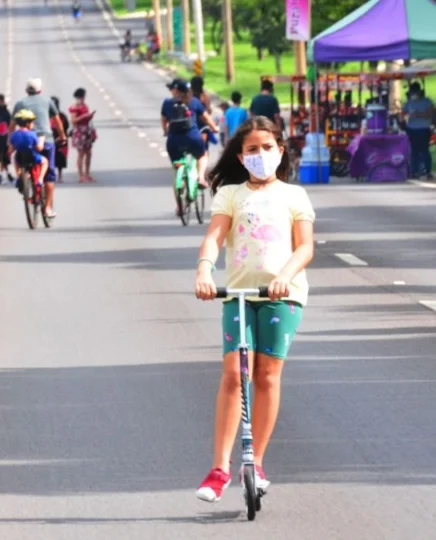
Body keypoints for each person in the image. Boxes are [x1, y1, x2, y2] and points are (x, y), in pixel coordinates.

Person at [193, 116, 315, 504]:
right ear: (241, 157)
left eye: (267, 148)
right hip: (239, 294)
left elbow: (305, 247)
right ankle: (219, 468)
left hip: (283, 294)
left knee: (266, 375)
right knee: (233, 372)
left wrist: (285, 275)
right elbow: (214, 236)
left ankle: (256, 462)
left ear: (280, 151)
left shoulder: (295, 195)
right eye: (251, 149)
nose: (260, 155)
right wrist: (204, 270)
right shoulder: (230, 194)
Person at [162, 78, 218, 214]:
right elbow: (206, 117)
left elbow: (164, 120)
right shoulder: (194, 102)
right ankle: (200, 177)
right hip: (192, 138)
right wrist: (214, 128)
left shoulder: (168, 103)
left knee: (177, 172)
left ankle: (179, 207)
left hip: (173, 141)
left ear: (175, 90)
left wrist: (165, 132)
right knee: (202, 155)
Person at [13, 78, 66, 217]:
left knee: (21, 160)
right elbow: (58, 121)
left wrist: (10, 144)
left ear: (27, 91)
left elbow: (11, 126)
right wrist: (63, 136)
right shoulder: (48, 101)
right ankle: (47, 208)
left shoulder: (20, 103)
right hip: (46, 141)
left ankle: (23, 177)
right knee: (49, 176)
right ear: (40, 90)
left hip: (25, 143)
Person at [402, 82, 436, 179]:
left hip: (423, 128)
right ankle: (415, 171)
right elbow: (403, 113)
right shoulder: (408, 103)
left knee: (424, 150)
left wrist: (418, 114)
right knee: (414, 151)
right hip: (411, 129)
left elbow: (430, 114)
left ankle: (427, 170)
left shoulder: (427, 102)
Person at [9, 109, 48, 187]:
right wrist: (42, 140)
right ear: (27, 123)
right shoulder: (32, 134)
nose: (33, 124)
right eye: (32, 122)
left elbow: (10, 150)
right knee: (45, 161)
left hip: (19, 158)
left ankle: (19, 176)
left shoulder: (14, 135)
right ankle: (40, 179)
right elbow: (39, 148)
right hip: (32, 158)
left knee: (14, 158)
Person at [69, 87, 97, 183]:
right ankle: (81, 175)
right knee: (81, 154)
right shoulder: (75, 107)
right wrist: (83, 116)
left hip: (86, 130)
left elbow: (86, 119)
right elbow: (73, 121)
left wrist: (89, 117)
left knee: (88, 153)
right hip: (79, 131)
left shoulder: (84, 106)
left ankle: (87, 173)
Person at [190, 76, 216, 146]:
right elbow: (208, 112)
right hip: (203, 125)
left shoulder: (188, 96)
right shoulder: (205, 97)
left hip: (190, 125)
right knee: (204, 148)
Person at [51, 96, 70, 183]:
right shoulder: (47, 116)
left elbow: (66, 126)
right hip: (50, 138)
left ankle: (60, 175)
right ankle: (53, 174)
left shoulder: (62, 116)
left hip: (60, 139)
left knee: (60, 158)